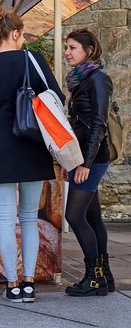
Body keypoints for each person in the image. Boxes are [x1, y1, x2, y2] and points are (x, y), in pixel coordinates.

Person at [0, 6, 63, 303]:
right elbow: (56, 98)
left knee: (6, 219)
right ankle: (30, 283)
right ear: (16, 33)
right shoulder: (33, 60)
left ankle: (12, 284)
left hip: (2, 148)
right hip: (33, 145)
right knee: (30, 217)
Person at [63, 28, 112, 297]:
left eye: (72, 48)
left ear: (88, 50)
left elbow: (99, 124)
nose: (67, 53)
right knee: (92, 216)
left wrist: (85, 164)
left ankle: (93, 279)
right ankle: (105, 278)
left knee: (74, 216)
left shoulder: (98, 79)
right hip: (82, 156)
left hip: (91, 158)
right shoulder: (81, 80)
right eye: (66, 48)